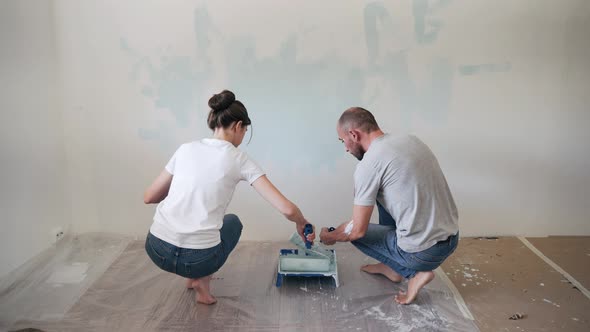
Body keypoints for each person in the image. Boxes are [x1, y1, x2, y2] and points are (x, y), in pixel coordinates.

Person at [143, 90, 314, 305]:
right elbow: (287, 209)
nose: (243, 137)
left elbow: (149, 197)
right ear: (237, 126)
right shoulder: (239, 159)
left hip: (156, 249)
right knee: (232, 223)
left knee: (198, 225)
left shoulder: (185, 149)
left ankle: (191, 277)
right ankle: (201, 284)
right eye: (245, 131)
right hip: (198, 260)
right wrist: (302, 222)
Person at [319, 107, 459, 305]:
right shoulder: (410, 140)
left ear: (354, 134)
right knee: (380, 193)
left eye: (343, 141)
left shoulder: (369, 165)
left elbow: (357, 231)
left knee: (351, 230)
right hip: (452, 238)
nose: (346, 149)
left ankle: (413, 274)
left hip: (423, 253)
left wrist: (331, 236)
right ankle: (391, 268)